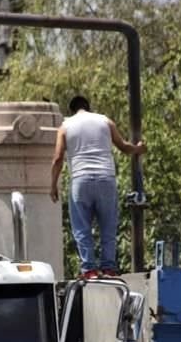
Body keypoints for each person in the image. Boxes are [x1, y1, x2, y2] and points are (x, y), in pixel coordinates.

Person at [50, 95, 145, 279]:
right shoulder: (104, 121)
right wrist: (138, 149)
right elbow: (124, 147)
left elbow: (57, 159)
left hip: (80, 180)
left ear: (72, 110)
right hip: (106, 179)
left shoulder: (65, 126)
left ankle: (90, 270)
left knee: (82, 228)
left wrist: (53, 185)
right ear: (88, 107)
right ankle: (109, 268)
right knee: (108, 227)